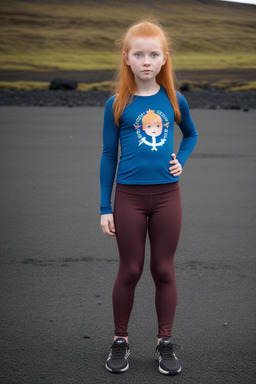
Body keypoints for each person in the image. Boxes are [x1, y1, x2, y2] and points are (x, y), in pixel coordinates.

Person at [100, 19, 198, 375]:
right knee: (130, 269)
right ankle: (120, 341)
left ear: (163, 59)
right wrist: (104, 206)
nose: (146, 60)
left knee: (163, 269)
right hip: (128, 198)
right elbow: (109, 156)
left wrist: (181, 162)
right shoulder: (117, 104)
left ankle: (164, 343)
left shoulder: (174, 100)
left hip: (168, 198)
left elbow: (191, 135)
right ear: (126, 58)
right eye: (138, 54)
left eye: (153, 54)